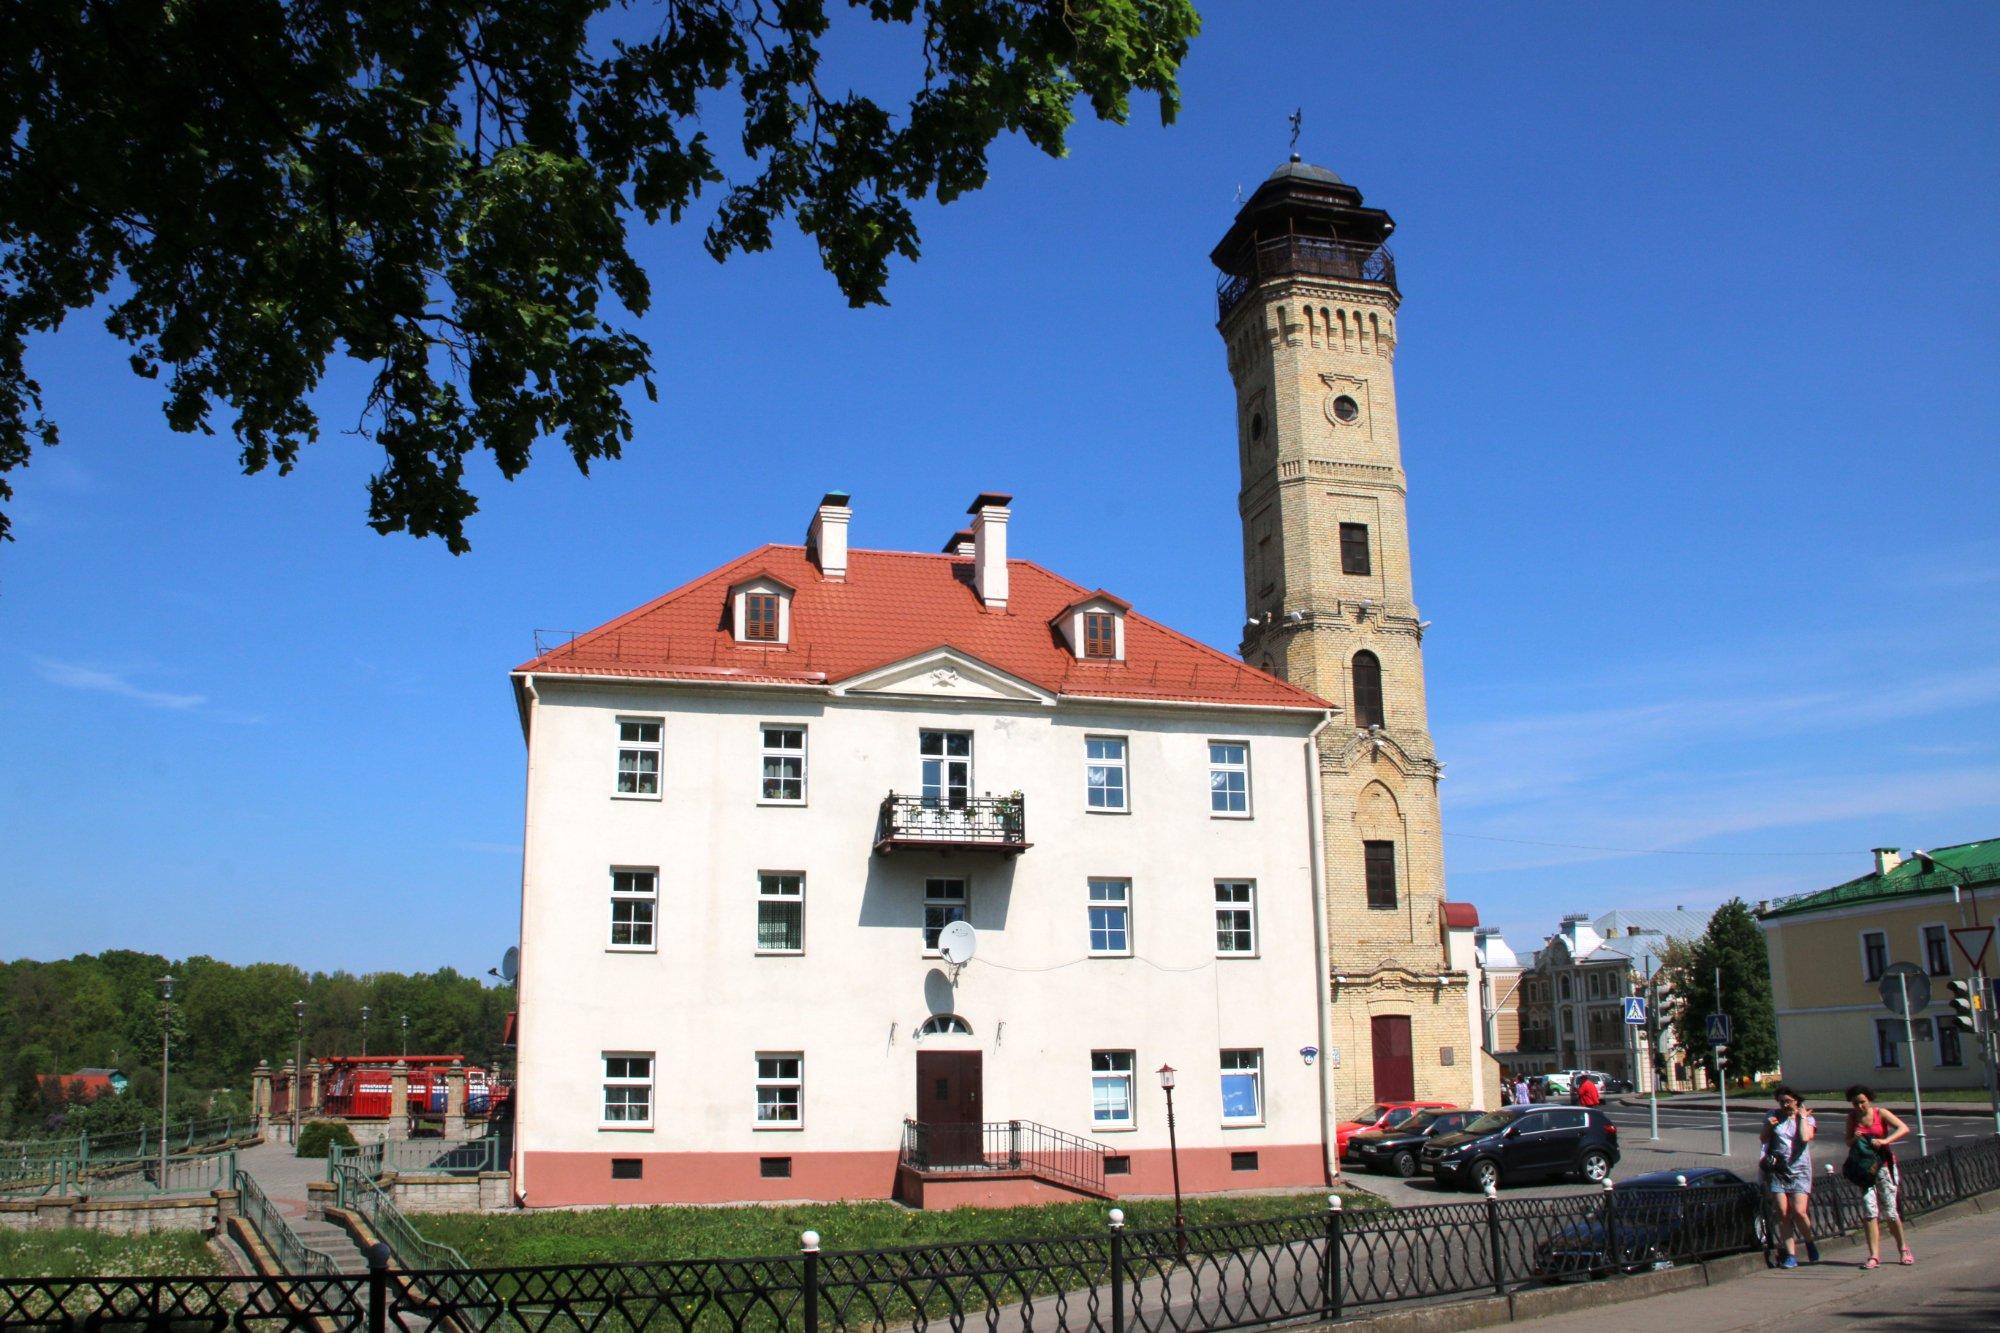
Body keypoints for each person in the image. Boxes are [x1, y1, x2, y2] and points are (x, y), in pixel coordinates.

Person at [1845, 1084, 1914, 1268]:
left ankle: (1903, 1249)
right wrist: (1855, 1138)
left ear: (1869, 1100)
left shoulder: (1880, 1113)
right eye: (1855, 1104)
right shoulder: (1852, 1118)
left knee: (1890, 1212)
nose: (1859, 1107)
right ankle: (1874, 1255)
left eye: (1862, 1102)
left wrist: (1885, 1140)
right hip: (1865, 1168)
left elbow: (1903, 1128)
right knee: (1870, 1211)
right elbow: (1847, 1141)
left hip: (1883, 1165)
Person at [1761, 1083, 1818, 1267]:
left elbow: (1804, 1138)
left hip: (1800, 1171)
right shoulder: (1773, 1116)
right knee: (1783, 1213)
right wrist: (1768, 1127)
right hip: (1779, 1171)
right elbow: (1763, 1139)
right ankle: (1790, 1255)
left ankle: (1809, 1241)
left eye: (1788, 1101)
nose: (1784, 1105)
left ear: (1796, 1101)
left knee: (1799, 1212)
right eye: (1781, 1102)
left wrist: (1801, 1118)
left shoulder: (1808, 1119)